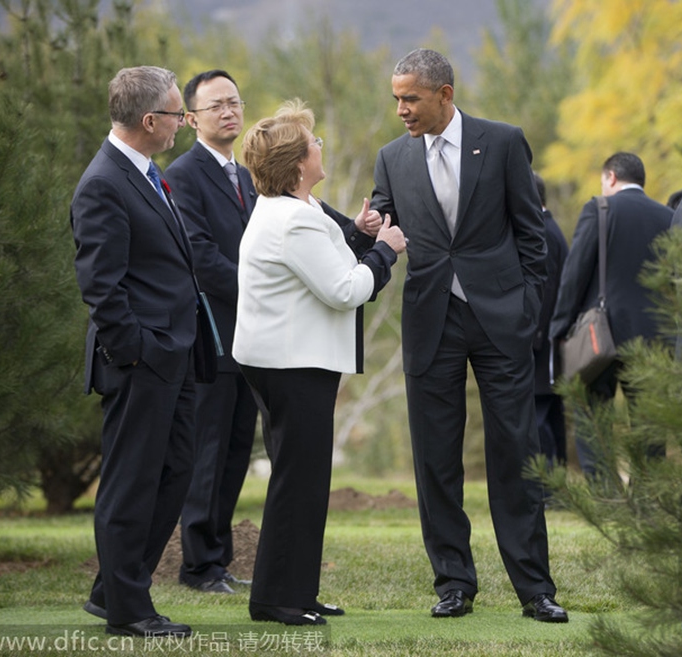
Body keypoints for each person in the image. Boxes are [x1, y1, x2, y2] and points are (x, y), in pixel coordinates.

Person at [371, 48, 568, 623]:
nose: (402, 109)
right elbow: (382, 228)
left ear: (445, 94)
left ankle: (536, 590)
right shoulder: (390, 158)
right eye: (396, 99)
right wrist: (363, 233)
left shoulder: (504, 142)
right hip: (431, 321)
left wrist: (527, 308)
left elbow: (533, 234)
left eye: (411, 98)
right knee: (436, 459)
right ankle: (454, 583)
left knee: (516, 451)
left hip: (501, 319)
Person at [233, 99, 406, 626]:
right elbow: (342, 288)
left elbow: (328, 255)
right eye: (313, 142)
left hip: (288, 360)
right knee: (298, 482)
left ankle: (294, 592)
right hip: (293, 364)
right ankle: (277, 600)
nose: (320, 146)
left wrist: (357, 233)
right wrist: (386, 251)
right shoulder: (293, 219)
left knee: (304, 481)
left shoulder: (296, 209)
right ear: (296, 162)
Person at [70, 66, 196, 638]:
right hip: (142, 361)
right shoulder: (103, 183)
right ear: (150, 121)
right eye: (177, 113)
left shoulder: (147, 172)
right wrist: (140, 353)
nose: (183, 122)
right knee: (130, 484)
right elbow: (102, 286)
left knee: (173, 472)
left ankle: (113, 589)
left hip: (173, 357)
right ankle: (128, 610)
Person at [163, 70, 257, 595]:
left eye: (235, 102)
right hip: (210, 338)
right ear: (191, 118)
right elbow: (200, 257)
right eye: (216, 105)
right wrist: (259, 290)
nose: (229, 111)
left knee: (237, 449)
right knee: (208, 451)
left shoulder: (243, 176)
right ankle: (197, 565)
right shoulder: (182, 174)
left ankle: (217, 561)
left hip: (248, 338)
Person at [549, 152, 673, 476]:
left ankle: (605, 497)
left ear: (611, 178)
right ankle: (648, 499)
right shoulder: (667, 216)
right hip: (654, 337)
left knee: (594, 420)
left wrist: (560, 327)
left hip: (601, 335)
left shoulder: (600, 209)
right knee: (649, 426)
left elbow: (574, 273)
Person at [531, 172, 568, 469]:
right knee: (550, 412)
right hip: (549, 339)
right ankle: (556, 486)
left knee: (538, 414)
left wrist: (535, 335)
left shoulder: (541, 232)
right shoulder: (549, 228)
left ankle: (549, 489)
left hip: (541, 341)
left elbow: (547, 288)